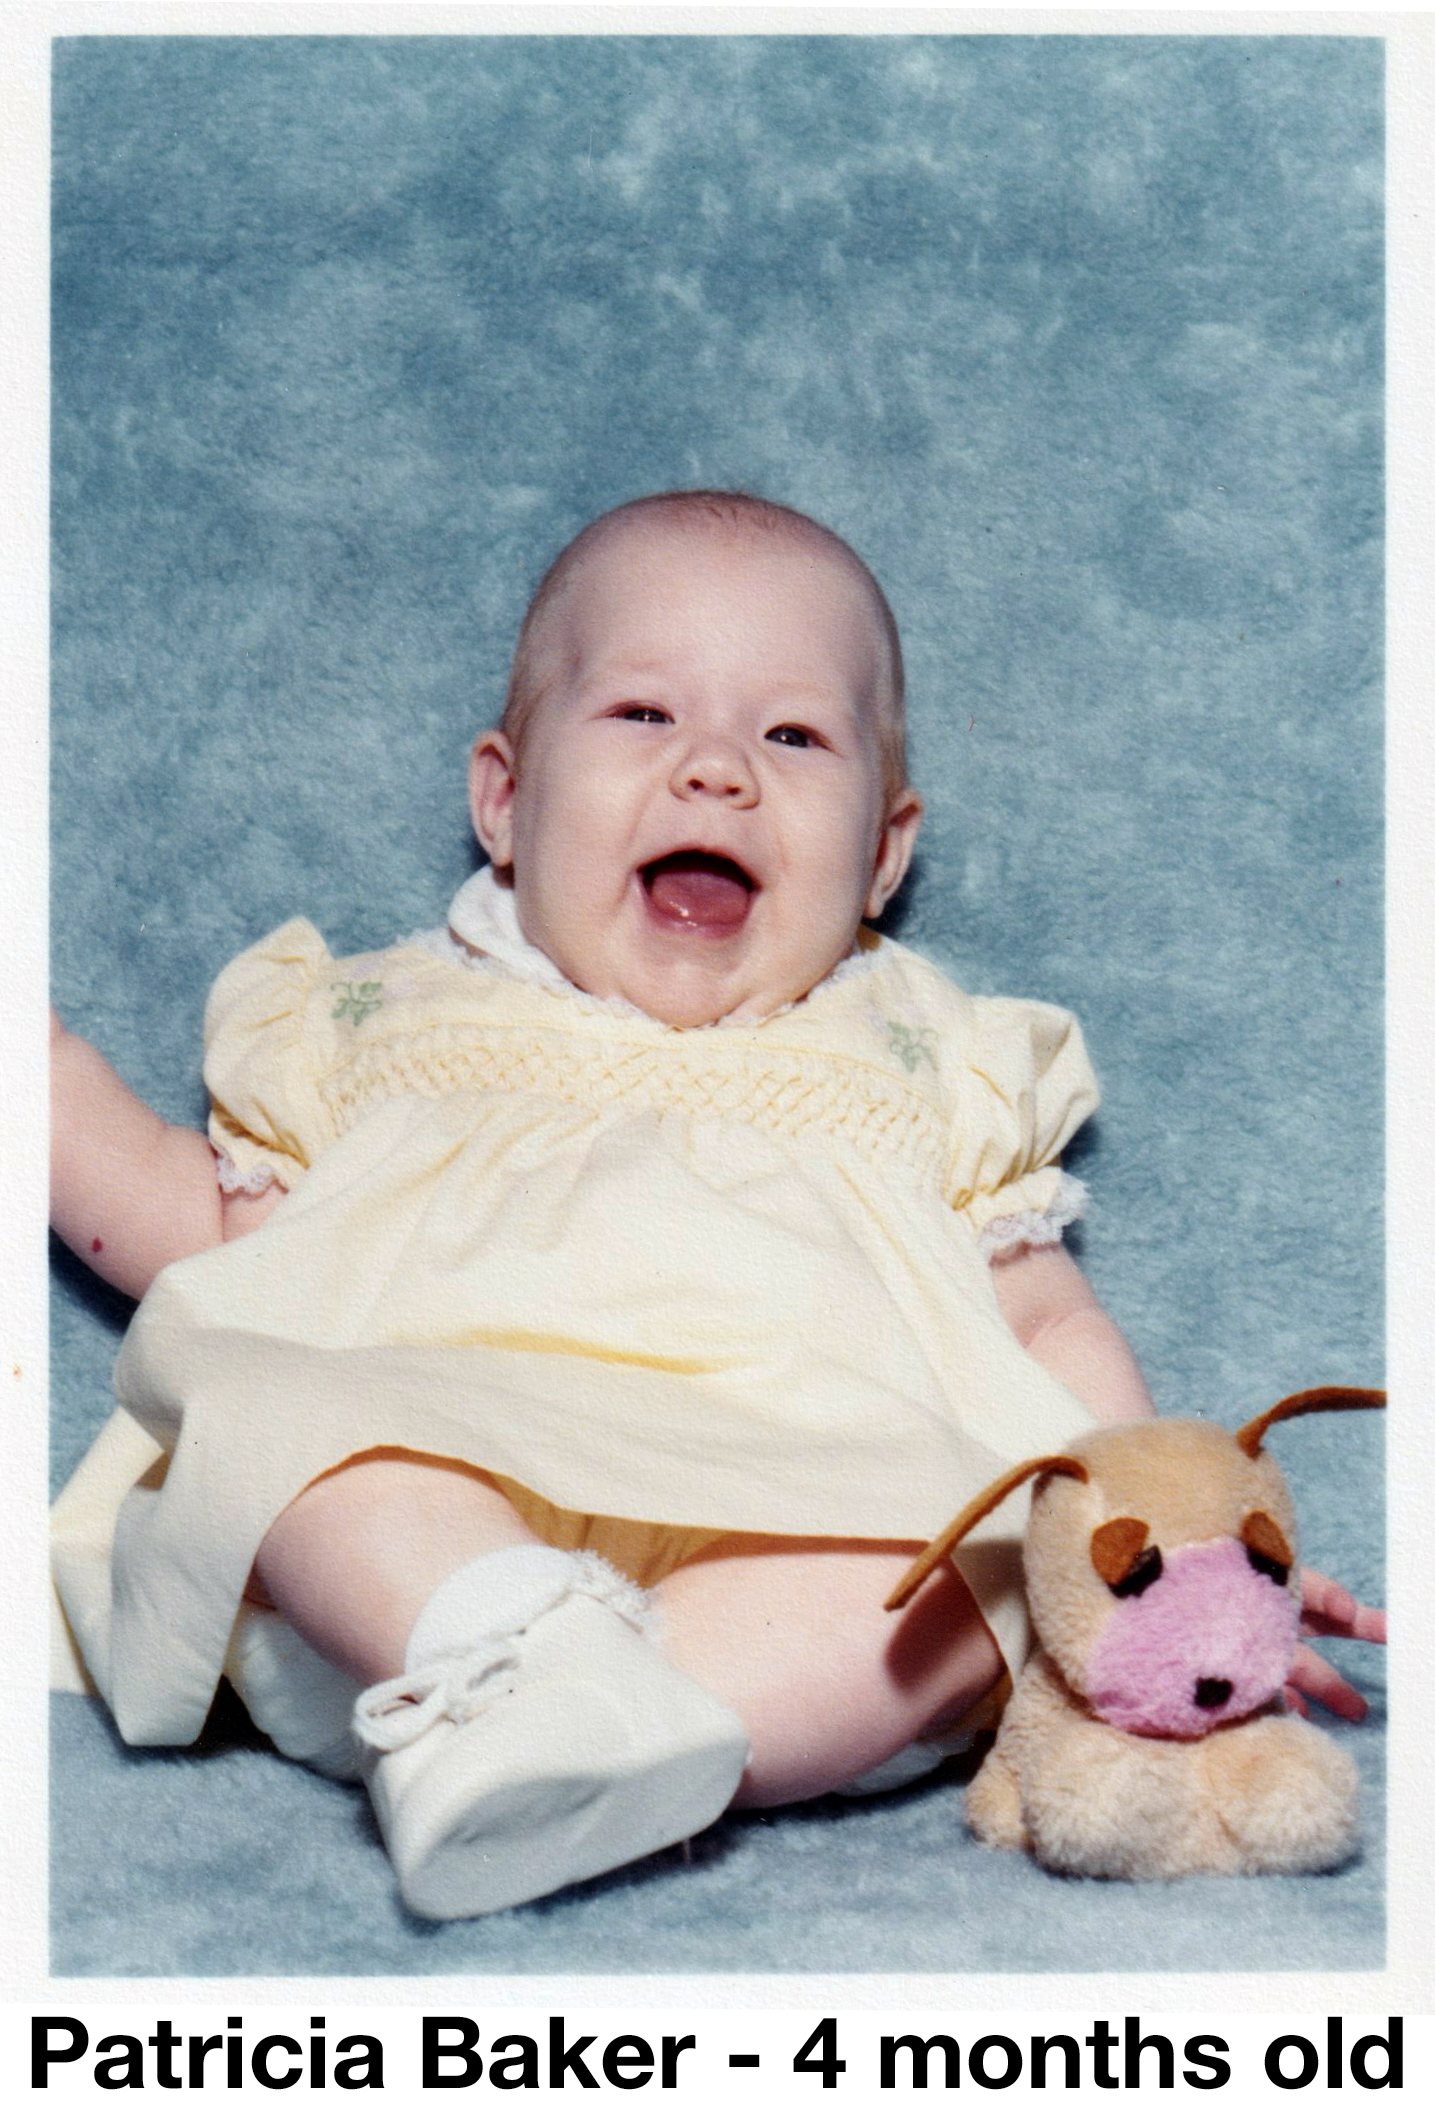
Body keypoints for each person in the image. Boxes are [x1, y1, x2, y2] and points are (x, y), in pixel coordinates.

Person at [49, 490, 1383, 1921]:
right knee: (275, 1401)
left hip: (792, 1570)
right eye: (641, 714)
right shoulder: (377, 1020)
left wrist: (1165, 1566)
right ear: (504, 799)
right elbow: (222, 1244)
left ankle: (597, 1743)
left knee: (978, 1546)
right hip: (408, 1598)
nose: (716, 770)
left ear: (883, 852)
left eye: (794, 737)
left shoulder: (929, 1059)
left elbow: (1047, 1326)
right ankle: (519, 1665)